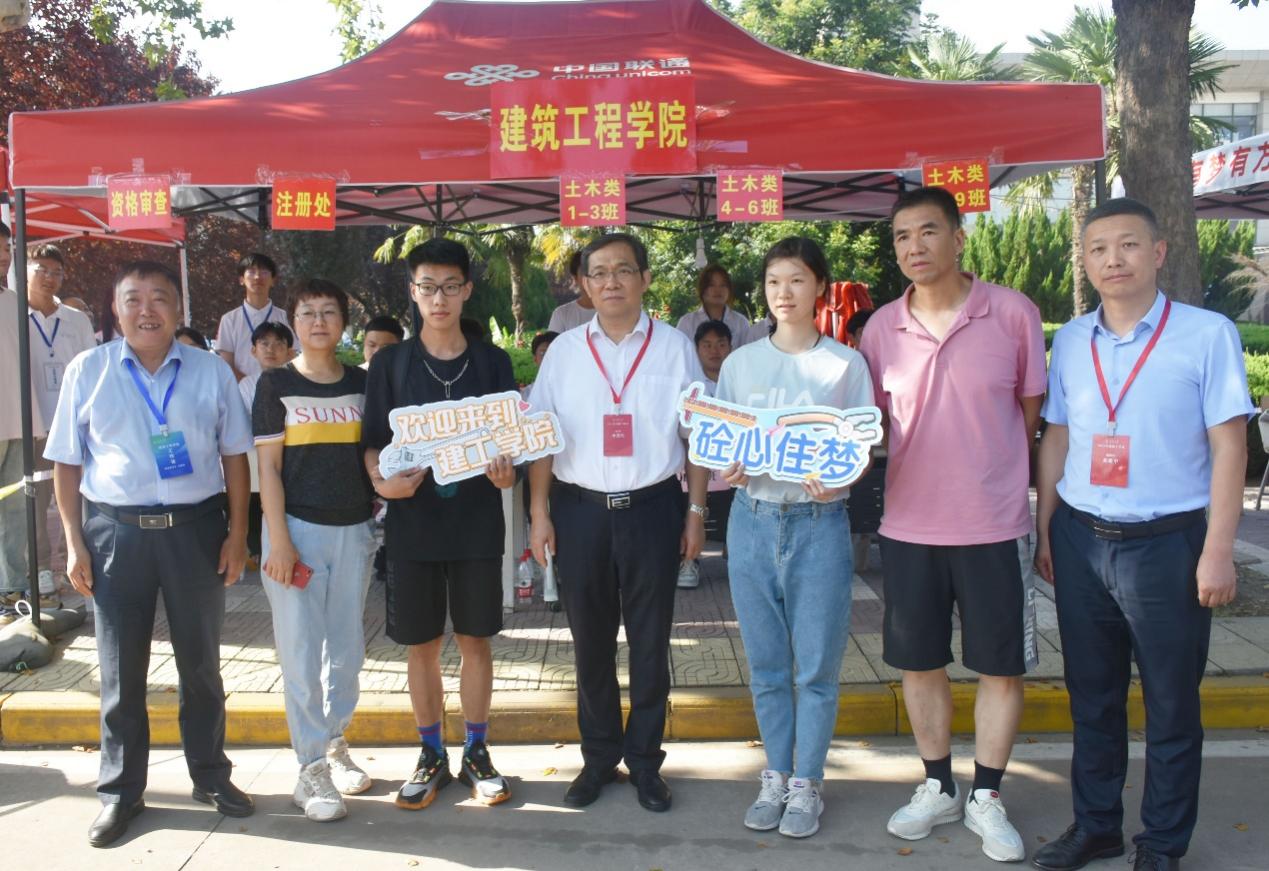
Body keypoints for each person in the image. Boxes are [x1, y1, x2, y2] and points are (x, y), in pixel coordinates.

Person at [1030, 198, 1252, 871]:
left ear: (1157, 253)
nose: (1112, 259)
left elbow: (1230, 446)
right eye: (1097, 248)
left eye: (1127, 245)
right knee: (1091, 698)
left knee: (1170, 703)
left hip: (1167, 545)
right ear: (1085, 261)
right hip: (1080, 538)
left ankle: (1160, 842)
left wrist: (1217, 550)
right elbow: (1056, 438)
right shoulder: (1072, 340)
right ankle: (1096, 825)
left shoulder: (1206, 333)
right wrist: (1046, 530)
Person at [858, 186, 1046, 864]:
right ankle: (938, 784)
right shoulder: (880, 329)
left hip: (995, 523)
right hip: (910, 526)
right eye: (902, 236)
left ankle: (986, 795)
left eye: (928, 231)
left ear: (959, 237)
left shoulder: (1013, 313)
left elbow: (1028, 414)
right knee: (919, 663)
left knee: (1001, 666)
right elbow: (870, 428)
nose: (914, 246)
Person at [44, 260, 255, 848]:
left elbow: (235, 457)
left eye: (159, 298)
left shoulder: (211, 371)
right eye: (133, 299)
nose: (146, 310)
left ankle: (210, 776)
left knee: (202, 666)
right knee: (119, 671)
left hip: (196, 532)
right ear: (116, 310)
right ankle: (120, 791)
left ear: (178, 309)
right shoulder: (89, 370)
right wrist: (74, 542)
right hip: (116, 535)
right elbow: (66, 462)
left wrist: (238, 534)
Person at [529, 232, 708, 814]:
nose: (611, 282)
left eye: (623, 270)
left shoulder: (675, 348)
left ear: (645, 279)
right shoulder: (563, 352)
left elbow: (698, 436)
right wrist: (539, 513)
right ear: (583, 283)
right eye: (599, 272)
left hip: (654, 510)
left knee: (651, 644)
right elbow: (541, 438)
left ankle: (646, 762)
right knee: (591, 644)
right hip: (579, 512)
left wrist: (696, 513)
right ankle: (599, 757)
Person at [715, 237, 873, 839]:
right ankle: (775, 775)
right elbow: (724, 438)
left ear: (820, 288)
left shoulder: (845, 364)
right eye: (774, 280)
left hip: (818, 523)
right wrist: (729, 466)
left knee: (816, 669)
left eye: (798, 280)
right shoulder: (741, 364)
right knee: (766, 666)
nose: (784, 292)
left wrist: (840, 479)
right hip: (751, 522)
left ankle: (807, 782)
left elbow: (861, 447)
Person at [362, 238, 519, 811]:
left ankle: (477, 751)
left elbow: (511, 443)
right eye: (427, 287)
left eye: (450, 286)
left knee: (476, 639)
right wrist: (381, 483)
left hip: (476, 522)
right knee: (422, 644)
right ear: (413, 291)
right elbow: (372, 443)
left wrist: (508, 473)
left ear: (467, 290)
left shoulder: (492, 362)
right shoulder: (391, 364)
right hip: (414, 525)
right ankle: (430, 753)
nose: (439, 298)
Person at [254, 279, 377, 823]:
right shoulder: (275, 383)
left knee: (347, 650)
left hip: (354, 531)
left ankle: (334, 742)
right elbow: (268, 468)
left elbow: (376, 455)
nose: (319, 321)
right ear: (294, 322)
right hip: (296, 533)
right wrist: (278, 538)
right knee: (301, 653)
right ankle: (309, 768)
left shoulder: (363, 384)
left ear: (344, 322)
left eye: (329, 311)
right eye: (308, 313)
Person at [23, 243, 96, 609]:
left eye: (56, 272)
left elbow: (91, 370)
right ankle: (40, 572)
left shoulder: (76, 320)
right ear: (24, 270)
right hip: (33, 423)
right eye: (42, 270)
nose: (49, 278)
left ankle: (84, 561)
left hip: (74, 423)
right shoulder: (13, 314)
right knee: (35, 503)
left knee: (82, 497)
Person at [0, 222, 48, 624]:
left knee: (17, 509)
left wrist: (34, 420)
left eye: (7, 248)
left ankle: (13, 587)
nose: (3, 256)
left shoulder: (15, 302)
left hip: (18, 421)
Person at [676, 319, 734, 590]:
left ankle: (737, 556)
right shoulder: (688, 386)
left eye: (721, 344)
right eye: (707, 345)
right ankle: (688, 560)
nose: (714, 351)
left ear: (730, 347)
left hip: (731, 468)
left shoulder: (739, 383)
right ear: (696, 349)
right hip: (693, 467)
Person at [239, 321, 294, 562]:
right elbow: (244, 424)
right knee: (257, 507)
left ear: (290, 351)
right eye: (264, 344)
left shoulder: (298, 381)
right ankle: (259, 552)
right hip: (258, 462)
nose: (271, 349)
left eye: (279, 344)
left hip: (292, 460)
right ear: (254, 350)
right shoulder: (246, 385)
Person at [216, 252, 288, 381]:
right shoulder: (229, 320)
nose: (257, 277)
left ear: (273, 280)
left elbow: (292, 356)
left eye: (264, 272)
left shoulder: (285, 317)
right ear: (241, 279)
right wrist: (249, 385)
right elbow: (226, 364)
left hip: (279, 387)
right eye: (251, 271)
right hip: (240, 389)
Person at [676, 265, 756, 349]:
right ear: (703, 289)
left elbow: (748, 353)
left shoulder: (740, 322)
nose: (717, 290)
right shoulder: (687, 323)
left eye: (723, 285)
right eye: (711, 285)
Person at [546, 250, 596, 333]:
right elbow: (552, 341)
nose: (589, 277)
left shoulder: (615, 311)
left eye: (595, 271)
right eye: (584, 272)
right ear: (576, 278)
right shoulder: (562, 314)